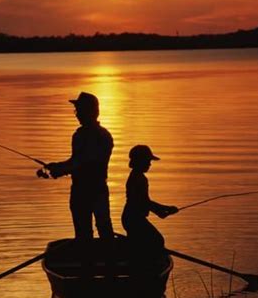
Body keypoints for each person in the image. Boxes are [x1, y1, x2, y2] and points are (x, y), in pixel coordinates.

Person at [43, 92, 114, 240]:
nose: (76, 114)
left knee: (92, 233)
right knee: (101, 231)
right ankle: (103, 258)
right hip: (93, 190)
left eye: (79, 110)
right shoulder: (100, 135)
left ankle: (96, 259)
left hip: (87, 191)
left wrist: (60, 170)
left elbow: (83, 163)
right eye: (76, 110)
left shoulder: (90, 136)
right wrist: (58, 167)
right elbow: (77, 161)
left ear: (90, 111)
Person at [121, 145, 178, 252]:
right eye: (147, 161)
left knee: (142, 242)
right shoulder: (139, 179)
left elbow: (144, 202)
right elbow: (143, 202)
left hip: (131, 218)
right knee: (157, 241)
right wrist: (163, 209)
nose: (150, 164)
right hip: (134, 219)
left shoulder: (136, 176)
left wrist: (161, 210)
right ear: (140, 161)